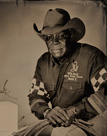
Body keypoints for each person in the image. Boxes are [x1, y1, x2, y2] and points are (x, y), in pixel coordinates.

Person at [28, 8, 107, 136]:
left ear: (71, 35)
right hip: (60, 124)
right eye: (49, 37)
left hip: (92, 123)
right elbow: (35, 95)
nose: (55, 42)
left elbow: (106, 92)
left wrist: (76, 110)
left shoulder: (92, 56)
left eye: (61, 35)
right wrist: (48, 112)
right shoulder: (43, 62)